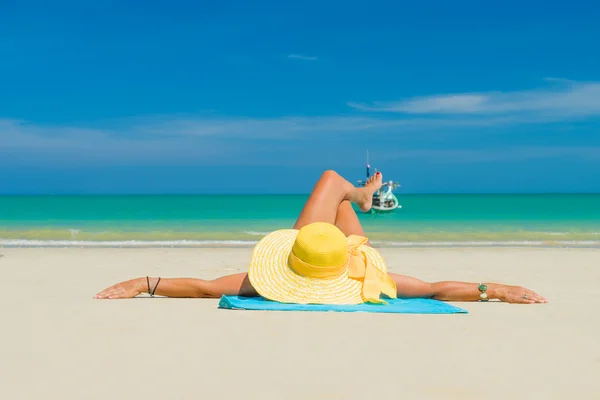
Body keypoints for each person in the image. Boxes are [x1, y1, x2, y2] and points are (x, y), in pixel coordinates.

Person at [95, 170, 547, 304]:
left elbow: (202, 288)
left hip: (326, 254)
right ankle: (361, 197)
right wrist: (494, 289)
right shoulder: (372, 281)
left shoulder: (259, 285)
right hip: (346, 258)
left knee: (334, 183)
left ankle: (360, 197)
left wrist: (143, 283)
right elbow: (435, 290)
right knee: (335, 187)